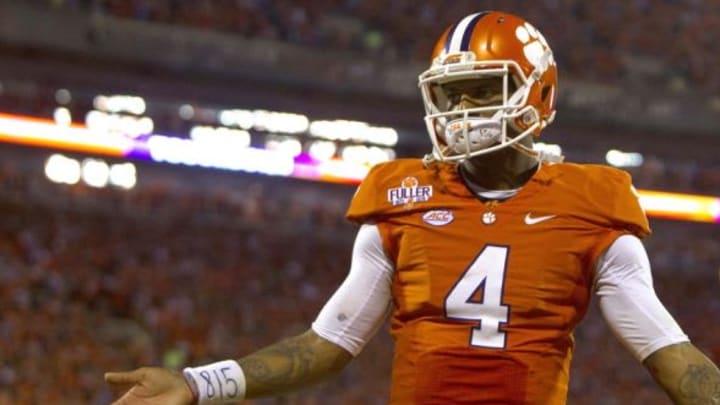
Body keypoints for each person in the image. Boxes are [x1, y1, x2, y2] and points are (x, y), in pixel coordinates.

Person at [105, 10, 720, 405]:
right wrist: (197, 382)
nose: (463, 113)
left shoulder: (592, 205)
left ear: (540, 94)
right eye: (452, 96)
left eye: (484, 91)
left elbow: (670, 356)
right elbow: (328, 344)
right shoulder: (401, 197)